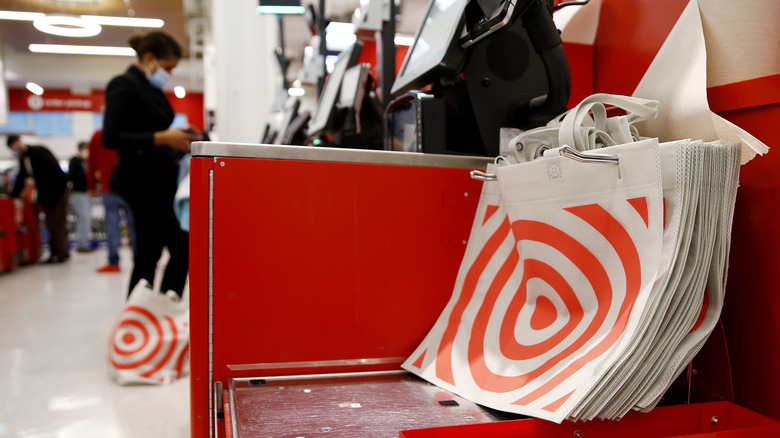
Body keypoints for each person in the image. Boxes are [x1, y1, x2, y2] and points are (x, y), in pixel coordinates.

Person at [102, 31, 199, 298]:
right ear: (149, 58)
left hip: (161, 180)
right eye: (167, 67)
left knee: (166, 249)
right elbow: (111, 135)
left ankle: (158, 306)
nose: (168, 74)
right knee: (157, 251)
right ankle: (143, 312)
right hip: (142, 181)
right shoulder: (124, 85)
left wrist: (179, 138)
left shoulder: (151, 88)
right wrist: (161, 138)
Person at [7, 134, 70, 263]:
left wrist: (40, 188)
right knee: (51, 222)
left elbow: (53, 173)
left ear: (19, 141)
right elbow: (21, 177)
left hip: (57, 192)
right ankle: (57, 252)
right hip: (47, 195)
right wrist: (12, 196)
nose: (15, 149)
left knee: (56, 223)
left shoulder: (39, 152)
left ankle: (60, 253)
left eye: (14, 146)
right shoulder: (25, 158)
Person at [86, 129, 136, 273]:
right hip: (130, 187)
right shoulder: (129, 133)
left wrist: (90, 186)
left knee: (113, 226)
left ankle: (113, 262)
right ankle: (139, 259)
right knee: (134, 226)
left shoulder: (98, 136)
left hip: (108, 187)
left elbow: (92, 162)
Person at [68, 140, 93, 253]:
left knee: (85, 220)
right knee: (84, 219)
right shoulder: (75, 161)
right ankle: (81, 244)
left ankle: (83, 243)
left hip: (87, 193)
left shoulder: (87, 161)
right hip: (78, 194)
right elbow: (73, 177)